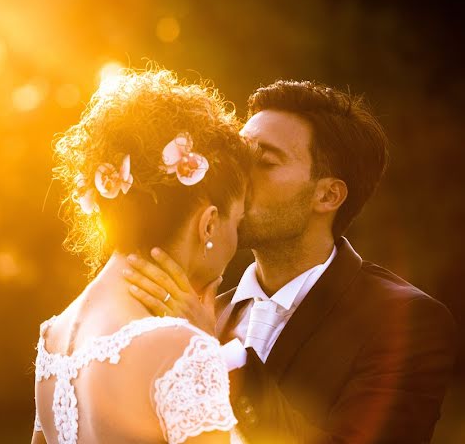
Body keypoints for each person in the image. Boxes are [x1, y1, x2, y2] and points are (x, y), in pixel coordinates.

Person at [125, 80, 457, 443]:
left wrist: (213, 354)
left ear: (328, 195)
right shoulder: (199, 312)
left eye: (264, 162)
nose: (235, 177)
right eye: (238, 158)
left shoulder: (407, 324)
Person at [32, 68, 254, 444]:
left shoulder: (53, 337)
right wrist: (207, 350)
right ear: (210, 225)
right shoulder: (182, 349)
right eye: (238, 221)